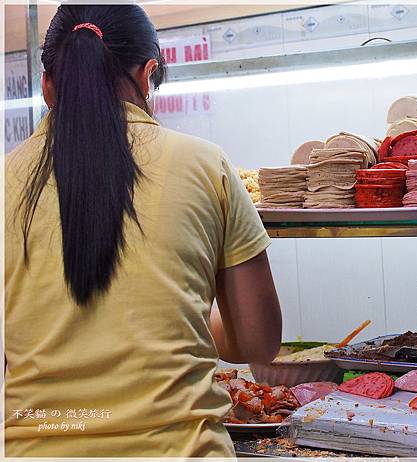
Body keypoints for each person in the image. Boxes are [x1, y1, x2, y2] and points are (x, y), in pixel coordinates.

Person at [4, 5, 282, 457]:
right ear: (149, 73)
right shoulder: (205, 164)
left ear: (47, 85)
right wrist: (177, 319)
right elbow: (256, 341)